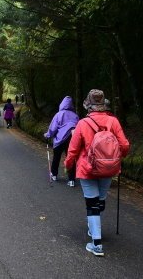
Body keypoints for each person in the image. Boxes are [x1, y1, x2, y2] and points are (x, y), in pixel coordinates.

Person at [64, 89, 130, 257]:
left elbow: (72, 150)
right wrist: (114, 157)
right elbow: (125, 146)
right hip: (108, 169)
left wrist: (68, 165)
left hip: (87, 169)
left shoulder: (82, 124)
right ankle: (93, 229)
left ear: (88, 105)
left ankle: (97, 243)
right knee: (99, 202)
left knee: (92, 205)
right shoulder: (113, 121)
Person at [44, 96, 79, 187]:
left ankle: (54, 175)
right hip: (72, 139)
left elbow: (53, 128)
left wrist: (47, 135)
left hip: (59, 140)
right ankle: (71, 180)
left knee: (56, 157)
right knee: (71, 158)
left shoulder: (58, 115)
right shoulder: (75, 115)